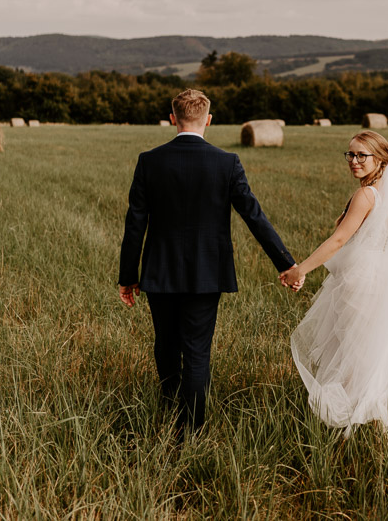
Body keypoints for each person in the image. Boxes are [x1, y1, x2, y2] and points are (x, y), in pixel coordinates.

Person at [117, 89, 300, 439]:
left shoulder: (149, 161)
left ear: (173, 118)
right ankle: (192, 430)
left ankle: (169, 408)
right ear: (208, 120)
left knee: (165, 344)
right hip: (206, 273)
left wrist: (128, 276)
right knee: (197, 351)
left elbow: (135, 223)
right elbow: (254, 216)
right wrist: (286, 263)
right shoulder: (226, 162)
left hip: (160, 271)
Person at [281, 130, 388, 435]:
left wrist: (300, 270)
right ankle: (369, 415)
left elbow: (338, 240)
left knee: (351, 347)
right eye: (350, 154)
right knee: (369, 347)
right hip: (381, 280)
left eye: (362, 155)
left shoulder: (366, 195)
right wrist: (379, 251)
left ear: (380, 160)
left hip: (359, 282)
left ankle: (346, 416)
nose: (354, 161)